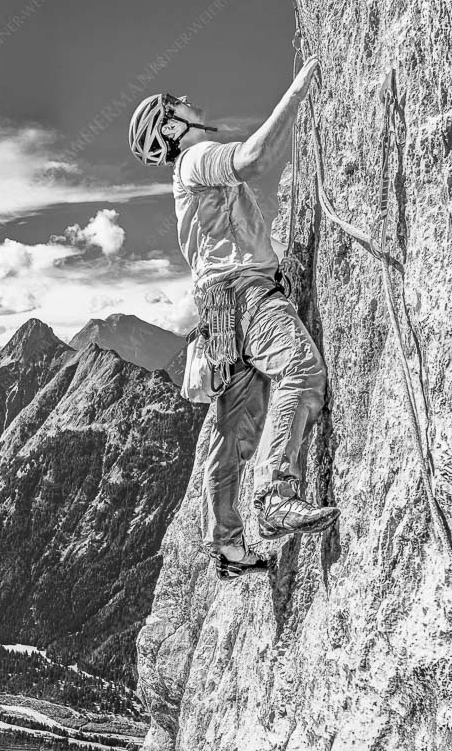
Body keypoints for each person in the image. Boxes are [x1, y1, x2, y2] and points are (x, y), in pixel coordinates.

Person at [128, 56, 339, 579]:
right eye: (176, 102)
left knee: (232, 429)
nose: (187, 100)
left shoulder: (183, 178)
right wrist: (297, 91)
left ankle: (227, 545)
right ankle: (275, 493)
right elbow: (251, 161)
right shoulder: (195, 157)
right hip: (245, 294)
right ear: (173, 126)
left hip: (218, 311)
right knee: (300, 372)